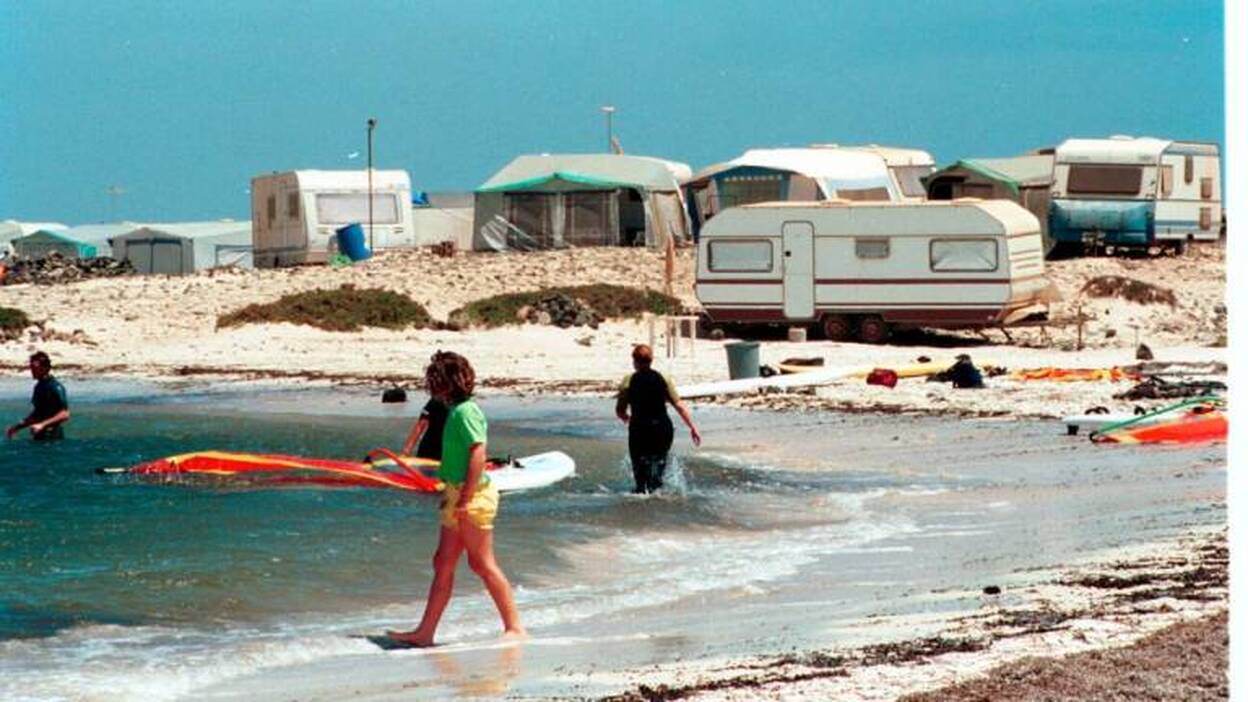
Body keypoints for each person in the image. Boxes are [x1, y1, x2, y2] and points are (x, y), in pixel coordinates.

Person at [388, 351, 524, 647]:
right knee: (443, 561)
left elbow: (478, 453)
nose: (430, 386)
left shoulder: (466, 412)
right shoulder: (455, 411)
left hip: (472, 496)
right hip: (456, 493)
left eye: (434, 380)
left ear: (447, 383)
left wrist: (464, 498)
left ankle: (515, 628)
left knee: (482, 564)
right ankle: (425, 633)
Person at [615, 344, 701, 493]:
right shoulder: (663, 378)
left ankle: (642, 503)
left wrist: (626, 418)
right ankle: (658, 497)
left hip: (639, 429)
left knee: (640, 476)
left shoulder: (628, 380)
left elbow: (620, 410)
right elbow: (679, 405)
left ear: (634, 361)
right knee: (658, 468)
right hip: (662, 428)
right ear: (651, 360)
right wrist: (692, 427)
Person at [6, 351, 70, 441]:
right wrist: (17, 427)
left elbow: (65, 414)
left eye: (35, 367)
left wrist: (42, 424)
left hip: (53, 438)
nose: (32, 370)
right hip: (39, 434)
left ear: (45, 368)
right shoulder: (39, 387)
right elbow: (37, 413)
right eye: (31, 367)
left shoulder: (55, 387)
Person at [401, 396, 448, 461]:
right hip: (429, 447)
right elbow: (420, 424)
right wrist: (406, 451)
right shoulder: (435, 400)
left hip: (449, 449)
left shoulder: (462, 403)